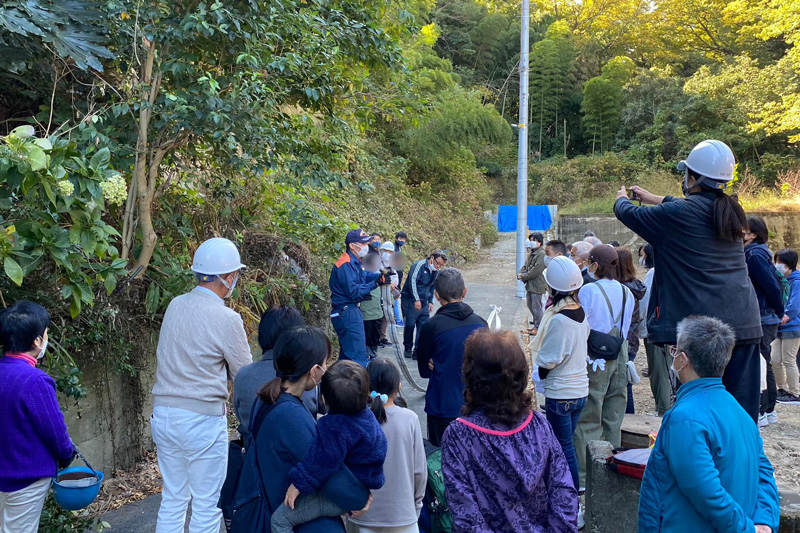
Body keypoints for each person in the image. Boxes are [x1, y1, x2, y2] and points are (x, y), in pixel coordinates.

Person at [615, 139, 762, 422]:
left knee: (698, 413)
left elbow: (627, 212)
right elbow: (687, 208)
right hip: (744, 324)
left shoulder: (678, 215)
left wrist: (621, 197)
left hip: (704, 332)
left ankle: (700, 464)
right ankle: (744, 464)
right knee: (741, 416)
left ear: (691, 177)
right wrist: (653, 197)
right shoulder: (731, 210)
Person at [638, 316, 779, 533]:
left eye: (675, 350)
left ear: (682, 359)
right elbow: (765, 473)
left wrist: (745, 529)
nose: (673, 355)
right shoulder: (738, 411)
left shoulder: (684, 418)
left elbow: (705, 490)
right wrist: (764, 521)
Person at [151, 237, 252, 533]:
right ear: (229, 277)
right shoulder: (227, 318)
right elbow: (243, 374)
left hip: (164, 416)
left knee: (172, 498)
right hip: (202, 419)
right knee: (207, 504)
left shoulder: (175, 305)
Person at [441, 329, 578, 532]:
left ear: (471, 376)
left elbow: (466, 514)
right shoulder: (538, 424)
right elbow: (563, 491)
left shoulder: (459, 436)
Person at [252, 326, 372, 532]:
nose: (326, 369)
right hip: (300, 518)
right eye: (325, 363)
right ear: (315, 370)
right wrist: (359, 497)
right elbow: (324, 463)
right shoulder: (291, 417)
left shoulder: (267, 398)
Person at [271, 360, 388, 532]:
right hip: (359, 485)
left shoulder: (335, 427)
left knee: (280, 520)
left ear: (324, 398)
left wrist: (298, 483)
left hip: (339, 496)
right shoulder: (367, 417)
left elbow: (323, 460)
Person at [0, 301, 75, 533]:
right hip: (25, 478)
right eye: (45, 333)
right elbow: (54, 430)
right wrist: (66, 455)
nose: (46, 337)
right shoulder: (34, 381)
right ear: (36, 341)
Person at [573, 245, 634, 489]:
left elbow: (583, 325)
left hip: (596, 357)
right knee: (613, 416)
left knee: (589, 416)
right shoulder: (627, 292)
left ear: (595, 265)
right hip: (620, 352)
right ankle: (611, 470)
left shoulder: (589, 289)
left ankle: (588, 477)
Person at [530, 256, 589, 493]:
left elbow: (549, 360)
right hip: (579, 390)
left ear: (553, 287)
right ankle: (566, 496)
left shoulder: (559, 319)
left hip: (562, 394)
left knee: (562, 449)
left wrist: (539, 373)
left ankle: (570, 502)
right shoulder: (580, 311)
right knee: (567, 445)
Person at [347, 359, 426, 533]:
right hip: (402, 516)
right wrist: (416, 506)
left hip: (361, 516)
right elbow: (419, 471)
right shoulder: (410, 419)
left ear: (366, 387)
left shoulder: (353, 420)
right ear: (398, 387)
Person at [416, 267, 487, 446]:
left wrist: (435, 361)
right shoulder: (481, 324)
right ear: (464, 292)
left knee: (439, 461)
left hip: (441, 406)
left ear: (437, 295)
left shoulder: (431, 326)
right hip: (475, 406)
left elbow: (424, 370)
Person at [234, 305, 316, 445]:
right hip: (300, 457)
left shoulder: (243, 375)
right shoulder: (308, 376)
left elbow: (241, 416)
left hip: (254, 458)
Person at [744, 216, 786, 426]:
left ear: (753, 234)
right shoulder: (757, 253)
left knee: (760, 362)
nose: (740, 232)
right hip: (765, 315)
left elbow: (771, 286)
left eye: (744, 230)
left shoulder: (754, 255)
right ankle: (768, 408)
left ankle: (764, 408)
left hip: (763, 315)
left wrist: (779, 311)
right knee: (763, 361)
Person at [330, 229, 392, 367]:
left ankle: (342, 385)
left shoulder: (355, 262)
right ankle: (357, 386)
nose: (366, 246)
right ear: (353, 245)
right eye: (363, 243)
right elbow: (353, 291)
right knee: (356, 357)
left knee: (348, 355)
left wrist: (379, 276)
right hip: (347, 311)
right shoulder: (345, 264)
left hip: (351, 311)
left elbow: (364, 277)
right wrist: (376, 283)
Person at [639, 244, 671, 415]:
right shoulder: (675, 269)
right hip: (674, 328)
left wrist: (641, 325)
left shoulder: (654, 273)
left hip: (657, 328)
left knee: (658, 371)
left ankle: (663, 409)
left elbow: (645, 303)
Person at [616, 247, 646, 414]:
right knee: (625, 381)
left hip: (623, 342)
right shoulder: (634, 286)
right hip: (631, 341)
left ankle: (629, 418)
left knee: (623, 384)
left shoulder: (623, 289)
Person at [401, 251, 447, 359]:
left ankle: (417, 350)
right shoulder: (419, 266)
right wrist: (416, 299)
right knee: (410, 324)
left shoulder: (435, 271)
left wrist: (431, 301)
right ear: (432, 258)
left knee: (423, 325)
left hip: (424, 300)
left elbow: (432, 286)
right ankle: (407, 347)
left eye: (441, 265)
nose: (438, 266)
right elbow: (412, 282)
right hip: (411, 299)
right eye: (437, 263)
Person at [772, 248, 800, 405]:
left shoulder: (797, 281)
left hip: (792, 326)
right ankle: (781, 389)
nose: (778, 265)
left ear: (790, 264)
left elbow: (795, 306)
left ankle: (794, 392)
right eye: (777, 262)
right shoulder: (782, 281)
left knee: (789, 359)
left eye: (781, 262)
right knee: (774, 359)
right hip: (779, 326)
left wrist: (786, 316)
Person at [518, 232, 547, 334]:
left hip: (537, 284)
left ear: (540, 242)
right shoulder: (533, 253)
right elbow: (526, 265)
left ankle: (538, 327)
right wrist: (521, 273)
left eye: (534, 240)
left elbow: (536, 270)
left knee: (536, 306)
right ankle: (536, 324)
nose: (532, 242)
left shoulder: (542, 254)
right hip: (531, 284)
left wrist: (523, 276)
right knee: (530, 304)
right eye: (531, 240)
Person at [361, 254, 384, 360]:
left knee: (376, 334)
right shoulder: (363, 273)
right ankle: (367, 354)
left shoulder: (379, 272)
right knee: (367, 334)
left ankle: (373, 353)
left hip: (378, 310)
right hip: (367, 311)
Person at [379, 242, 399, 346]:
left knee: (386, 316)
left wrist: (393, 283)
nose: (388, 253)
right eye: (386, 251)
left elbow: (396, 277)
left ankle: (382, 336)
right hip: (378, 292)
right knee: (378, 315)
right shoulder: (377, 261)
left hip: (389, 292)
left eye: (390, 252)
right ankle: (376, 337)